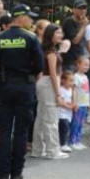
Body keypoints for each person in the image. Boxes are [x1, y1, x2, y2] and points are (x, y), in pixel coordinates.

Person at [0, 3, 43, 179]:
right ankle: (16, 173)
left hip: (5, 87)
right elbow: (40, 66)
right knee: (20, 131)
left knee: (4, 132)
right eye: (29, 17)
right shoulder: (31, 38)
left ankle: (3, 174)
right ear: (20, 17)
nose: (31, 20)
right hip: (25, 87)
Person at [31, 24, 68, 160]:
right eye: (58, 33)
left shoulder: (49, 50)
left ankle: (38, 149)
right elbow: (53, 73)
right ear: (51, 35)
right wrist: (58, 94)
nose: (61, 35)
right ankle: (53, 150)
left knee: (41, 117)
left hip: (44, 82)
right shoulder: (51, 53)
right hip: (49, 83)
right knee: (51, 118)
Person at [68, 55, 90, 151]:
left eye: (88, 65)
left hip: (84, 104)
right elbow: (73, 90)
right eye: (85, 65)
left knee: (81, 123)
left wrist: (89, 103)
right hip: (78, 104)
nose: (87, 67)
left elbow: (87, 91)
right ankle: (72, 141)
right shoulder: (76, 77)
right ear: (78, 65)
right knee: (75, 123)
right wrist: (74, 102)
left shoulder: (85, 77)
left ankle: (78, 140)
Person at [57, 70, 75, 153]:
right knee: (64, 128)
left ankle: (64, 143)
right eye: (70, 80)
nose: (72, 83)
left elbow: (71, 100)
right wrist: (69, 106)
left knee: (67, 128)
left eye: (73, 81)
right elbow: (61, 102)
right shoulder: (61, 90)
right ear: (63, 80)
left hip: (68, 113)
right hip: (61, 114)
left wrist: (73, 105)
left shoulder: (70, 90)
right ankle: (62, 144)